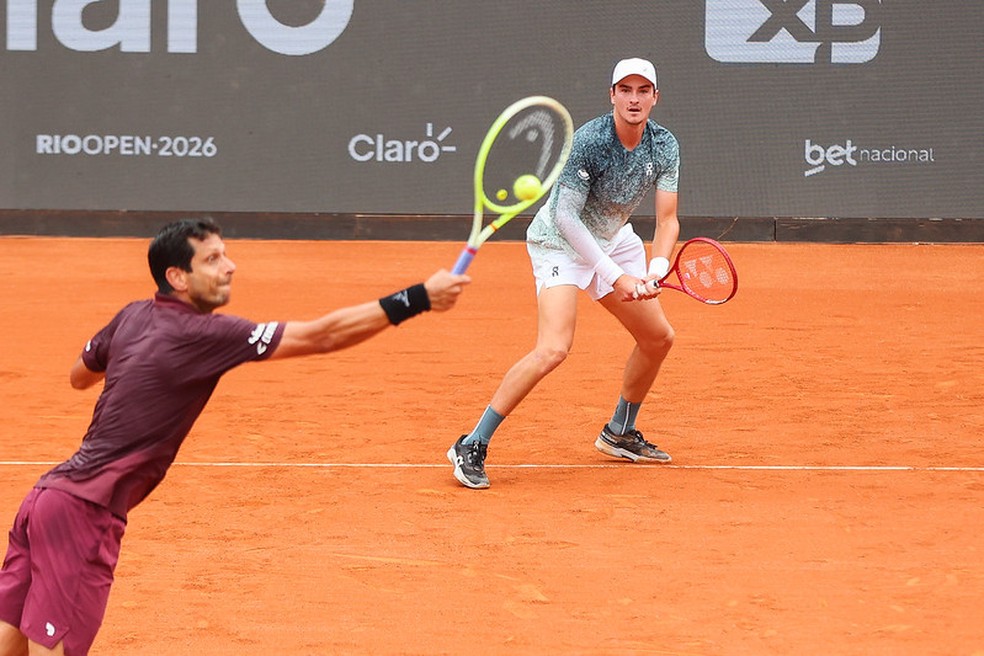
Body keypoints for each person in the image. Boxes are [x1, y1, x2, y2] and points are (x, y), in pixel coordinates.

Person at [0, 218, 470, 656]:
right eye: (213, 259)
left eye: (225, 255)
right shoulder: (206, 334)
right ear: (178, 278)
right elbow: (322, 336)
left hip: (44, 500)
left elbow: (79, 376)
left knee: (12, 627)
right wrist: (419, 297)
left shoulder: (132, 316)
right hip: (86, 513)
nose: (230, 266)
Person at [448, 57, 681, 489]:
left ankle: (619, 432)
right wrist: (615, 275)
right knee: (553, 348)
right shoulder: (589, 141)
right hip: (559, 242)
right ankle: (472, 442)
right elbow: (569, 219)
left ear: (655, 97)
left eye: (642, 91)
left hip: (612, 238)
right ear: (612, 95)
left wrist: (656, 268)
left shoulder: (664, 144)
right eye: (625, 90)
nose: (634, 99)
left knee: (658, 337)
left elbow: (667, 221)